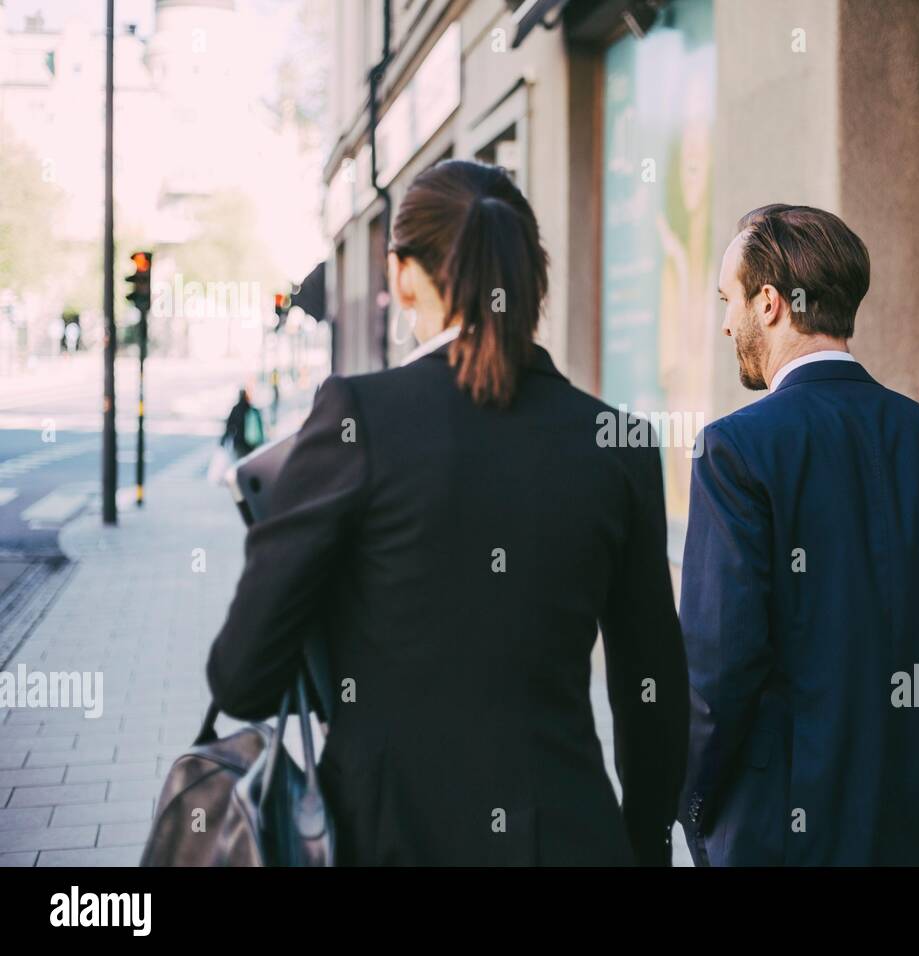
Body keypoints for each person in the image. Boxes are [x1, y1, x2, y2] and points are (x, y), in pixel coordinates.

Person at [206, 159, 688, 866]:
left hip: (389, 839)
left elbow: (242, 677)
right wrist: (643, 843)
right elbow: (652, 695)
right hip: (571, 836)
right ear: (534, 275)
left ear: (403, 275)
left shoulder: (356, 420)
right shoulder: (618, 445)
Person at [676, 204, 919, 866]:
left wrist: (693, 806)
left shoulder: (734, 450)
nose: (725, 322)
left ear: (770, 303)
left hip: (776, 836)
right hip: (912, 829)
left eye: (729, 300)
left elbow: (717, 670)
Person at [220, 388, 263, 459]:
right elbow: (259, 426)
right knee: (249, 461)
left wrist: (223, 441)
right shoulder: (252, 409)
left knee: (240, 461)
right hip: (251, 443)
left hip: (239, 443)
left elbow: (229, 426)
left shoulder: (235, 409)